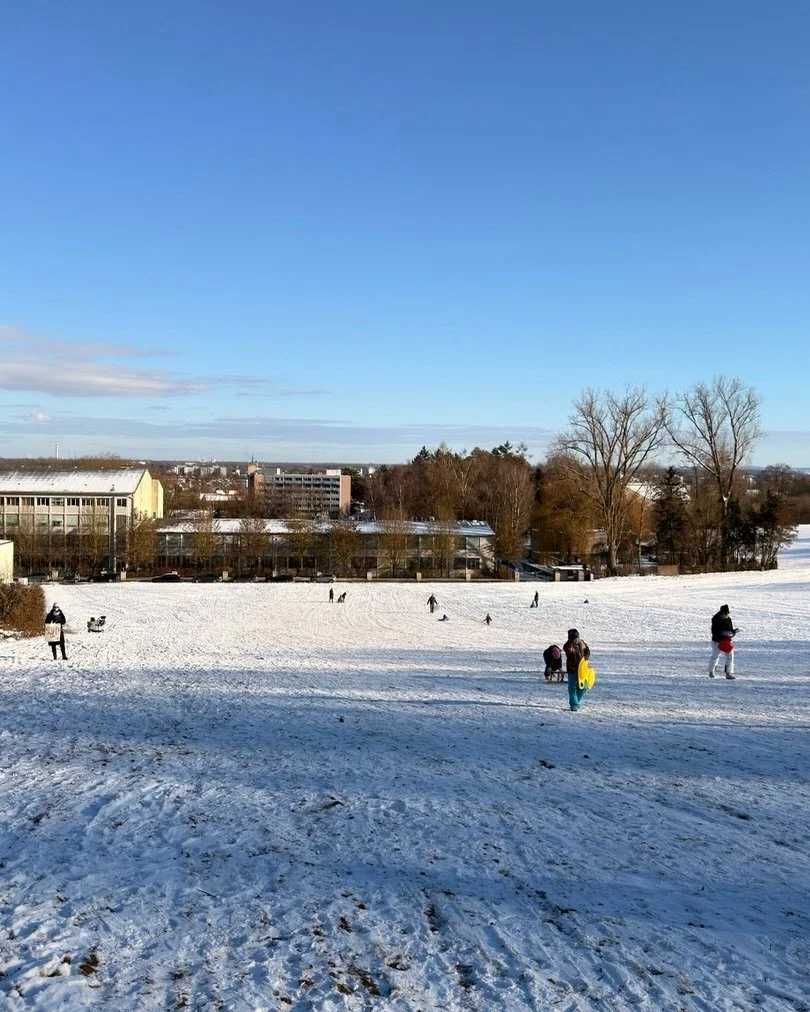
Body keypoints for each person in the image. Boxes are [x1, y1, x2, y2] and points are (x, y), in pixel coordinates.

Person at [563, 628, 590, 711]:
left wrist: (586, 656)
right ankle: (574, 704)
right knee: (572, 688)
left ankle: (576, 702)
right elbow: (568, 651)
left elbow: (587, 651)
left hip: (582, 670)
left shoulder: (582, 644)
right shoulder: (568, 646)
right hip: (572, 670)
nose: (575, 640)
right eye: (573, 639)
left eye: (576, 638)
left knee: (583, 687)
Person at [709, 604, 737, 679]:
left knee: (729, 656)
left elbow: (730, 629)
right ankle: (711, 671)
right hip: (717, 641)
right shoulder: (716, 619)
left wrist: (733, 632)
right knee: (715, 656)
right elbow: (714, 631)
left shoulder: (728, 619)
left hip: (727, 641)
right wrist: (723, 633)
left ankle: (728, 673)